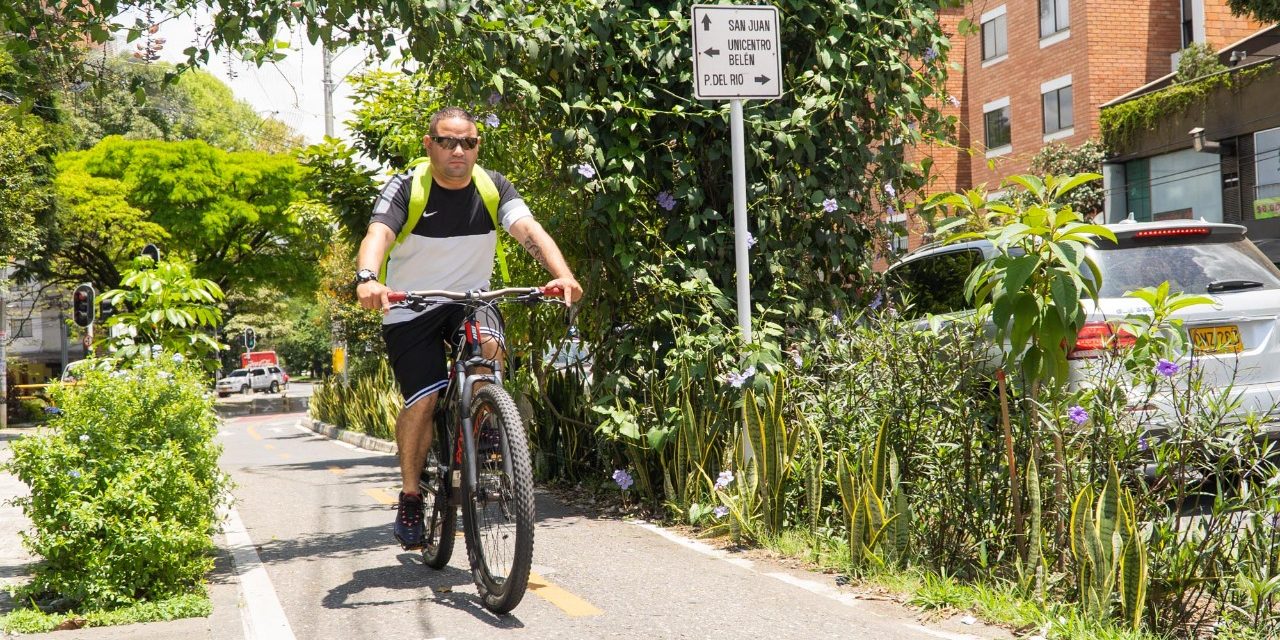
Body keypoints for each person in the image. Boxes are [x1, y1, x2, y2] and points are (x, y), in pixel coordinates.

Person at [355, 107, 582, 549]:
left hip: (469, 301)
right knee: (424, 399)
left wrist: (562, 275)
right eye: (447, 141)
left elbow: (528, 229)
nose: (458, 150)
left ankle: (484, 426)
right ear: (429, 145)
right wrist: (368, 278)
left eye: (468, 142)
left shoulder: (493, 186)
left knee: (489, 347)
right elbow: (378, 234)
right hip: (411, 306)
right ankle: (411, 496)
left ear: (477, 145)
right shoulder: (407, 187)